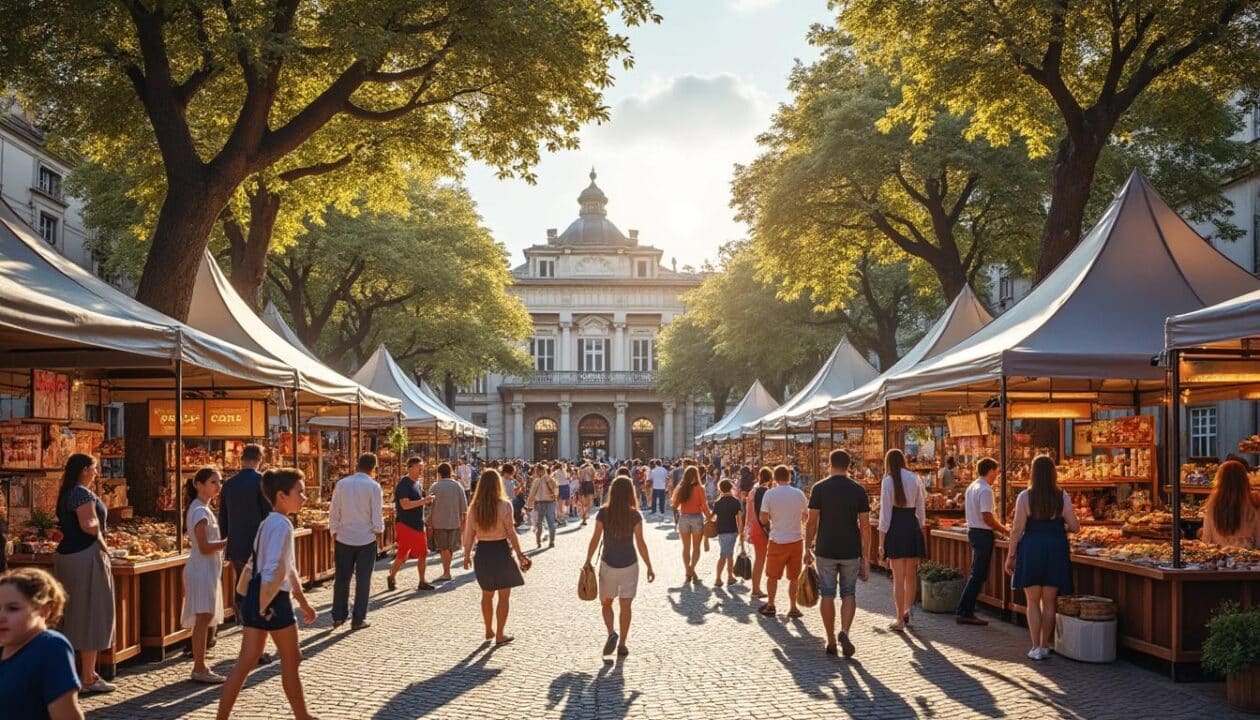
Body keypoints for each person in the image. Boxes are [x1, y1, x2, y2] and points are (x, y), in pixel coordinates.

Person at [216, 469, 317, 720]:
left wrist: (302, 601)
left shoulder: (267, 523)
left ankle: (221, 717)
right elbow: (276, 568)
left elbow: (281, 566)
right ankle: (302, 716)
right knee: (291, 660)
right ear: (282, 496)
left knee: (245, 662)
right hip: (271, 599)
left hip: (258, 596)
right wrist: (265, 604)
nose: (304, 497)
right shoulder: (282, 525)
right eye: (300, 492)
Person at [51, 453, 115, 694]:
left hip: (70, 554)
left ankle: (82, 672)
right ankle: (88, 676)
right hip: (85, 555)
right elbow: (88, 525)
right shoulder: (81, 493)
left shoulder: (67, 493)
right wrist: (102, 534)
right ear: (85, 470)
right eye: (95, 468)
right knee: (92, 613)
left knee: (74, 614)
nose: (97, 473)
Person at [1005, 455, 1080, 661]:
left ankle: (1035, 646)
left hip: (1032, 548)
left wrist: (1011, 555)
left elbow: (1017, 529)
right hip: (1056, 547)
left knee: (1032, 601)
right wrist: (1061, 525)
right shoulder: (1062, 496)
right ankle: (1046, 644)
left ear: (1033, 473)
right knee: (1049, 602)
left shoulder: (1024, 497)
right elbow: (1075, 526)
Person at [804, 450, 871, 657]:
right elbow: (865, 526)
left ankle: (831, 638)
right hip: (851, 549)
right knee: (849, 592)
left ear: (829, 464)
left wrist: (807, 548)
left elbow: (812, 521)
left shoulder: (820, 488)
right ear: (849, 465)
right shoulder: (858, 490)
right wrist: (866, 557)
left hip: (826, 547)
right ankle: (845, 631)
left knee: (827, 593)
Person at [585, 474, 656, 657]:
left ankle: (611, 633)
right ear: (630, 493)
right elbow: (641, 542)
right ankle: (623, 644)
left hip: (608, 563)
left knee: (606, 603)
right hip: (630, 564)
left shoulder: (603, 512)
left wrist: (587, 560)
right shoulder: (635, 514)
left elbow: (595, 538)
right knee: (626, 606)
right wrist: (649, 565)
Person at [0, 568, 84, 720]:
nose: (1, 616)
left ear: (44, 610)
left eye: (12, 608)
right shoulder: (5, 648)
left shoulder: (49, 646)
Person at [218, 443, 275, 665]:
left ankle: (246, 632)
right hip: (258, 547)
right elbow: (268, 516)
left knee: (244, 591)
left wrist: (227, 542)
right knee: (258, 596)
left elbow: (223, 517)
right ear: (259, 458)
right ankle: (254, 647)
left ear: (242, 459)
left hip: (237, 547)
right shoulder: (262, 482)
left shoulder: (229, 484)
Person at [462, 469, 530, 645]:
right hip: (501, 550)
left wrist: (466, 554)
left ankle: (488, 629)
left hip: (483, 551)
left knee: (487, 594)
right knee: (504, 596)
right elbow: (511, 533)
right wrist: (520, 553)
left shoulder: (474, 507)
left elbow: (468, 534)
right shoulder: (504, 505)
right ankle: (499, 633)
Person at [183, 466, 229, 683]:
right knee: (203, 617)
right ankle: (199, 666)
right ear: (199, 485)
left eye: (219, 482)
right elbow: (203, 545)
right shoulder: (200, 511)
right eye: (213, 482)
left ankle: (200, 662)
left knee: (205, 616)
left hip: (207, 567)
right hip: (202, 567)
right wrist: (228, 543)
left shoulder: (203, 508)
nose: (218, 486)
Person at [329, 453, 385, 630]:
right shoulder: (374, 487)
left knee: (342, 579)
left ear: (357, 464)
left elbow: (334, 510)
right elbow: (377, 515)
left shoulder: (342, 484)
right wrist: (379, 532)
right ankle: (358, 618)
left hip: (344, 537)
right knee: (363, 580)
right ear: (373, 468)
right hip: (366, 539)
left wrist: (334, 531)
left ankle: (338, 616)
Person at [956, 458, 1008, 626]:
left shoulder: (972, 487)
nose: (997, 475)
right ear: (991, 471)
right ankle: (965, 610)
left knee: (976, 573)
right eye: (997, 471)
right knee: (978, 574)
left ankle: (965, 609)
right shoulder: (985, 490)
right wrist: (1005, 530)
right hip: (982, 534)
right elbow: (987, 517)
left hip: (974, 532)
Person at [879, 449, 927, 632]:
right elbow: (921, 507)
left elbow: (885, 514)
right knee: (911, 575)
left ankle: (899, 618)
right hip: (912, 526)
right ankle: (907, 610)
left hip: (896, 528)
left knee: (898, 578)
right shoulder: (915, 478)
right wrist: (920, 528)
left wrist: (881, 542)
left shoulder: (888, 481)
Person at [759, 465, 808, 618]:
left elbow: (763, 518)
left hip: (777, 539)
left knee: (772, 576)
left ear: (775, 477)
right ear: (789, 477)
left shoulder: (769, 494)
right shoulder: (799, 494)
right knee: (794, 577)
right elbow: (806, 516)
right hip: (796, 539)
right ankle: (793, 607)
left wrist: (774, 519)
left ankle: (771, 604)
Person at [388, 457, 435, 592]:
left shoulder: (417, 484)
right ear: (410, 467)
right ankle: (420, 581)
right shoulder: (404, 484)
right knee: (416, 553)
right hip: (406, 524)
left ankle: (393, 577)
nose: (421, 470)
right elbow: (405, 504)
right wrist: (424, 501)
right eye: (419, 467)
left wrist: (426, 502)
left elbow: (418, 502)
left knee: (406, 554)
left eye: (422, 467)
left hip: (417, 524)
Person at [1201, 460, 1260, 548]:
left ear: (1220, 480)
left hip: (1220, 557)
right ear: (1244, 479)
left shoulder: (1212, 505)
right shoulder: (1254, 502)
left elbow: (1206, 539)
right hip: (1248, 557)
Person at [670, 466, 712, 583]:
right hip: (696, 518)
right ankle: (691, 569)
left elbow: (674, 504)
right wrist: (710, 517)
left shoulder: (681, 488)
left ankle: (687, 571)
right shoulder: (700, 488)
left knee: (686, 548)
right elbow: (704, 506)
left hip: (684, 518)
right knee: (696, 548)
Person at [429, 461, 468, 581]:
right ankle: (447, 571)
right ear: (451, 472)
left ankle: (446, 572)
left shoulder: (435, 486)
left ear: (439, 473)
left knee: (443, 548)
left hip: (439, 521)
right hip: (454, 521)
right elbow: (464, 508)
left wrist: (428, 521)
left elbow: (429, 507)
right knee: (449, 548)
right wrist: (463, 524)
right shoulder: (457, 486)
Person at [745, 467, 774, 599]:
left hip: (753, 526)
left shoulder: (753, 490)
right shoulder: (765, 492)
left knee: (759, 559)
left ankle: (756, 588)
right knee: (760, 560)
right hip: (761, 528)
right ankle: (755, 589)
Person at [710, 480, 744, 588]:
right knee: (725, 555)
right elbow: (739, 518)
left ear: (720, 489)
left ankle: (729, 576)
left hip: (721, 531)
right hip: (732, 530)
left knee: (728, 554)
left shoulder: (718, 503)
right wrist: (741, 531)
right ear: (731, 488)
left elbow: (713, 518)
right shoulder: (735, 501)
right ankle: (719, 578)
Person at [526, 462, 559, 549]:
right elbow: (532, 494)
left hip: (545, 503)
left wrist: (529, 505)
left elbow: (555, 489)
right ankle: (544, 541)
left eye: (537, 471)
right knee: (544, 523)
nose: (536, 473)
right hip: (543, 503)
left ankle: (545, 541)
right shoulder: (541, 480)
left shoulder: (546, 480)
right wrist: (529, 505)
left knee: (545, 523)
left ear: (541, 471)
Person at [578, 461, 597, 526]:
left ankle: (584, 517)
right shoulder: (591, 469)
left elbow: (580, 479)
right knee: (589, 503)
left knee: (584, 503)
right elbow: (593, 479)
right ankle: (585, 516)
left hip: (583, 485)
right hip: (589, 484)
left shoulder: (581, 469)